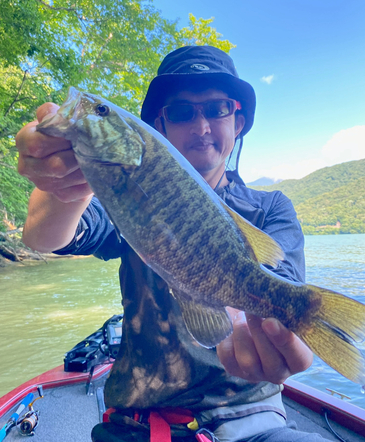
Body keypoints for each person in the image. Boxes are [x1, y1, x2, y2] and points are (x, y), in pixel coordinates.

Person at [17, 46, 329, 442]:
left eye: (217, 108)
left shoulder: (271, 208)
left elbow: (280, 279)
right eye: (182, 112)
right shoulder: (120, 187)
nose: (201, 126)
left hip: (255, 421)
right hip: (137, 425)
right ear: (159, 127)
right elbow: (48, 238)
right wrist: (59, 188)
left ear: (238, 120)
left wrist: (282, 332)